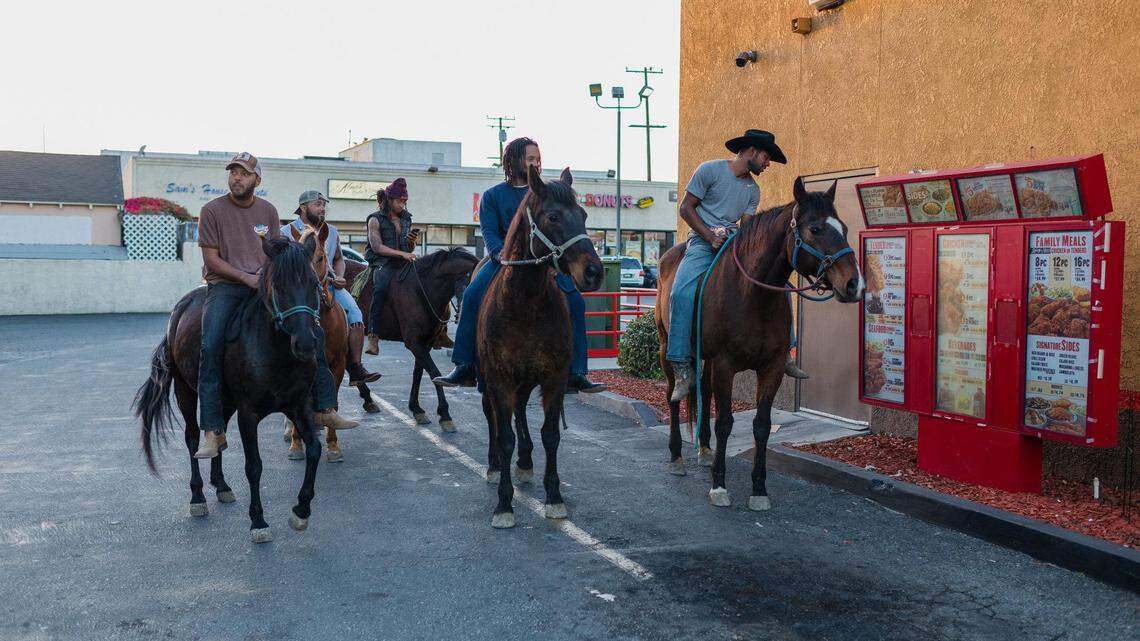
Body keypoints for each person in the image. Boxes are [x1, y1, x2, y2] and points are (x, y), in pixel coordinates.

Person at [194, 153, 357, 459]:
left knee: (312, 329)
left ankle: (325, 407)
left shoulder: (267, 211)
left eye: (244, 173)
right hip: (226, 287)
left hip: (263, 285)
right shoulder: (211, 210)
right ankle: (212, 429)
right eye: (233, 172)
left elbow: (276, 251)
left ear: (257, 179)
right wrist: (246, 277)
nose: (237, 178)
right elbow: (211, 259)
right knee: (211, 344)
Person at [433, 137, 605, 394]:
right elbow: (489, 231)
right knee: (472, 295)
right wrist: (498, 254)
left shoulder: (545, 193)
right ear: (514, 160)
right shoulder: (493, 196)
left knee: (576, 302)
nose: (536, 162)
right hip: (505, 260)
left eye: (538, 158)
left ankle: (576, 372)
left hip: (546, 262)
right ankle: (465, 365)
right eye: (530, 158)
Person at [667, 130, 808, 404]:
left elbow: (746, 227)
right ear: (752, 151)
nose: (767, 164)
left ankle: (785, 353)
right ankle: (682, 366)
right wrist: (709, 235)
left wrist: (744, 245)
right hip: (701, 244)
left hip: (733, 245)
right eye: (767, 157)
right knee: (680, 293)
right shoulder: (709, 170)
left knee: (778, 285)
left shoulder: (753, 190)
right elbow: (686, 208)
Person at [282, 190, 381, 386]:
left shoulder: (332, 231)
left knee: (355, 315)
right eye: (317, 204)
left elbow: (338, 259)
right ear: (303, 208)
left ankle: (355, 367)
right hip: (299, 290)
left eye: (324, 205)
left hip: (328, 285)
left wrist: (341, 276)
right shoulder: (286, 232)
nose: (322, 209)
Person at [363, 177, 420, 354]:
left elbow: (407, 247)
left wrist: (411, 244)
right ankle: (373, 335)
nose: (402, 204)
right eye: (399, 201)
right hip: (382, 262)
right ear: (389, 199)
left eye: (405, 201)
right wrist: (403, 253)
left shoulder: (406, 219)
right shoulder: (375, 219)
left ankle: (439, 329)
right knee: (380, 289)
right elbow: (377, 247)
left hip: (402, 261)